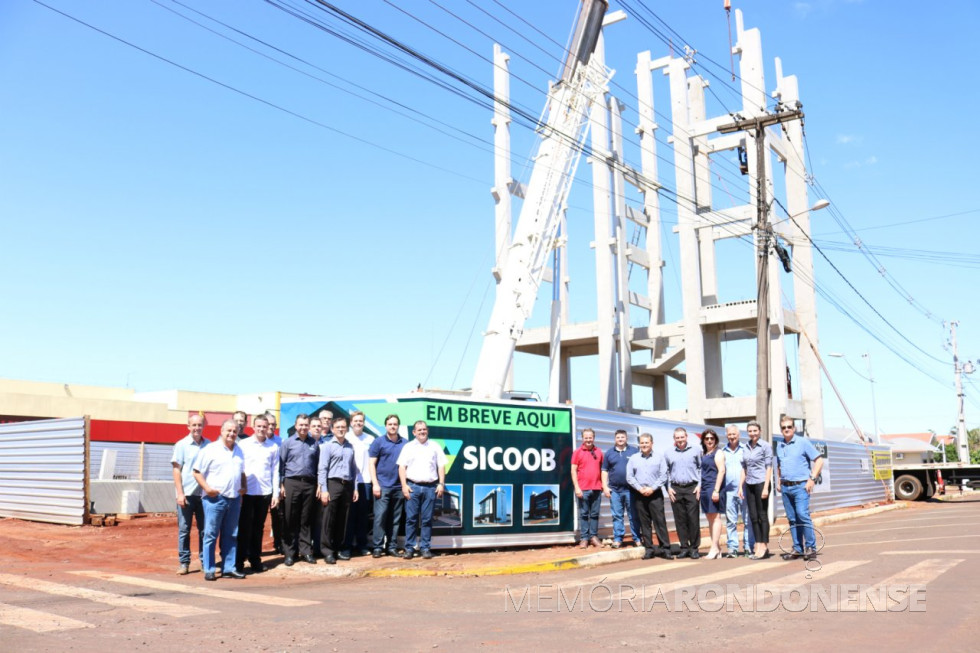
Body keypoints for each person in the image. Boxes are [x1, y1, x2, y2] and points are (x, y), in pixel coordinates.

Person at [192, 420, 247, 581]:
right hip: (215, 499)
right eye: (228, 430)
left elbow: (242, 471)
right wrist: (208, 489)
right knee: (210, 534)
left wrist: (243, 486)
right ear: (221, 430)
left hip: (234, 498)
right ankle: (209, 569)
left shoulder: (239, 450)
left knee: (231, 535)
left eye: (234, 431)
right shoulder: (210, 450)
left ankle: (229, 568)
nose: (231, 434)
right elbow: (196, 472)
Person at [775, 417, 825, 561]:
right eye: (784, 427)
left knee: (802, 515)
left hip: (800, 486)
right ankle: (797, 548)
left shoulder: (802, 442)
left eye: (789, 427)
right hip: (786, 487)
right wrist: (779, 481)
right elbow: (779, 465)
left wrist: (812, 479)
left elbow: (819, 460)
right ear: (781, 429)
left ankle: (810, 548)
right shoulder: (780, 446)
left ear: (794, 428)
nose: (786, 429)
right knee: (792, 518)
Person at [236, 414, 279, 574]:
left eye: (264, 427)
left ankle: (255, 561)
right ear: (253, 427)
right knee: (244, 528)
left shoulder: (273, 447)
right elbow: (239, 468)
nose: (261, 429)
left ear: (268, 428)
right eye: (259, 426)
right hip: (247, 493)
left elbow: (275, 471)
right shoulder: (244, 445)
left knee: (258, 528)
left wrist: (275, 494)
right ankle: (239, 562)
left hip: (265, 493)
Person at [397, 420, 446, 560]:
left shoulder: (435, 446)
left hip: (430, 487)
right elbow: (401, 467)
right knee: (411, 519)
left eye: (424, 429)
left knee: (427, 520)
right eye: (419, 430)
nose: (422, 432)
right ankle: (410, 548)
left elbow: (441, 466)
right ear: (414, 432)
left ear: (427, 430)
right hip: (412, 487)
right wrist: (404, 486)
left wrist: (441, 484)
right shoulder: (408, 447)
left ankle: (425, 548)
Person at [171, 414, 210, 575]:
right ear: (188, 426)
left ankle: (204, 561)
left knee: (205, 530)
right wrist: (180, 493)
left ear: (203, 426)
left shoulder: (209, 445)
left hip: (203, 496)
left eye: (199, 425)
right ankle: (184, 562)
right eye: (193, 425)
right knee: (184, 530)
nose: (196, 428)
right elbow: (176, 470)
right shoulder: (181, 445)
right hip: (186, 495)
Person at [279, 413, 319, 566]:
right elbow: (281, 466)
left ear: (308, 426)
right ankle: (290, 553)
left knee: (306, 519)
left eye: (305, 425)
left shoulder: (314, 444)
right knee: (290, 518)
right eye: (300, 425)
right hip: (291, 482)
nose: (303, 427)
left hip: (309, 484)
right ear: (296, 426)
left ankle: (306, 551)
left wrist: (318, 485)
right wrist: (281, 485)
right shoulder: (288, 443)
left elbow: (317, 466)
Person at [318, 416, 358, 564]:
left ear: (347, 429)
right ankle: (327, 551)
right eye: (338, 427)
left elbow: (353, 469)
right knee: (329, 519)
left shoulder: (350, 446)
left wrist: (354, 487)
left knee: (343, 519)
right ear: (333, 429)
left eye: (343, 427)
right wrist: (324, 489)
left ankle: (339, 548)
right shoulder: (327, 446)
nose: (341, 429)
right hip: (332, 484)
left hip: (347, 485)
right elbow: (322, 469)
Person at [626, 433, 671, 560]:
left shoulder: (659, 458)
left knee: (660, 522)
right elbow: (629, 477)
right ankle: (649, 549)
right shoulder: (633, 458)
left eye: (646, 442)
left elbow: (664, 475)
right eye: (642, 443)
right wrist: (640, 489)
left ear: (652, 443)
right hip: (640, 494)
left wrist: (652, 488)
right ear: (639, 444)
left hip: (655, 494)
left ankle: (665, 549)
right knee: (644, 523)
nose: (644, 445)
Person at [369, 414, 407, 558]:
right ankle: (377, 547)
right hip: (382, 486)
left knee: (395, 520)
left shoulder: (405, 443)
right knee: (380, 518)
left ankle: (391, 547)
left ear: (398, 426)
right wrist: (375, 484)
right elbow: (371, 464)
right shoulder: (378, 442)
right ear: (386, 426)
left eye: (395, 424)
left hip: (398, 487)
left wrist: (404, 486)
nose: (392, 426)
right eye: (390, 424)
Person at [665, 427, 701, 559]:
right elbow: (666, 471)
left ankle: (694, 548)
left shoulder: (696, 450)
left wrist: (699, 485)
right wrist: (668, 487)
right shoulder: (669, 453)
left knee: (693, 519)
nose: (680, 440)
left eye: (682, 437)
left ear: (686, 437)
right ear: (674, 439)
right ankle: (684, 547)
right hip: (676, 489)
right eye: (677, 438)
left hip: (692, 488)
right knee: (680, 520)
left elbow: (701, 468)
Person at [601, 429, 641, 548]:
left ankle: (637, 538)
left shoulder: (634, 451)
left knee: (633, 515)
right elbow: (604, 470)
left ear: (626, 438)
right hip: (615, 491)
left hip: (631, 490)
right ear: (615, 439)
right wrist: (605, 487)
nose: (620, 439)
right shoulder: (609, 453)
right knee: (617, 516)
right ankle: (618, 539)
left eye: (622, 437)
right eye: (618, 437)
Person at [343, 410, 374, 557]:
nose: (358, 423)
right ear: (351, 423)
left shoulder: (370, 439)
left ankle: (362, 546)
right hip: (349, 483)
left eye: (360, 421)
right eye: (355, 421)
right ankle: (346, 547)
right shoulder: (346, 438)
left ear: (364, 423)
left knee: (363, 516)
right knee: (348, 516)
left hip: (365, 482)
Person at [743, 420, 773, 560]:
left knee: (762, 515)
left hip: (762, 483)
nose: (753, 433)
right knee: (753, 517)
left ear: (759, 431)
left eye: (755, 430)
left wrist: (766, 487)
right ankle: (758, 544)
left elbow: (769, 467)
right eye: (750, 431)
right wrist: (740, 486)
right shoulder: (746, 446)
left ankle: (764, 546)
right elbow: (744, 468)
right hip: (749, 483)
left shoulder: (765, 446)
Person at [722, 425, 753, 558]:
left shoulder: (745, 450)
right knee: (731, 521)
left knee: (747, 521)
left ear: (739, 435)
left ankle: (748, 547)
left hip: (744, 491)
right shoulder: (722, 452)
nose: (732, 437)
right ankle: (732, 548)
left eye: (734, 434)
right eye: (730, 434)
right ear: (726, 435)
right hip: (728, 492)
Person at [571, 428, 603, 548]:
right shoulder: (577, 452)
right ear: (582, 438)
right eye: (586, 437)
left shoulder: (599, 452)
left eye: (590, 437)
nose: (588, 440)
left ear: (593, 438)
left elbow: (603, 470)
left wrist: (603, 486)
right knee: (584, 514)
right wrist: (577, 487)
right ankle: (584, 538)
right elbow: (573, 470)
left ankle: (593, 537)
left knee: (594, 514)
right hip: (583, 489)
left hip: (596, 488)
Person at [699, 429, 727, 559]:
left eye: (712, 438)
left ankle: (714, 548)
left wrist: (716, 490)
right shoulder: (704, 453)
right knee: (710, 518)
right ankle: (717, 548)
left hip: (713, 487)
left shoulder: (718, 452)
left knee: (715, 518)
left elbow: (721, 471)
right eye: (707, 438)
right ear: (703, 440)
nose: (709, 440)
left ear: (715, 440)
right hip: (705, 488)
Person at [265, 412, 284, 555]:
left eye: (273, 424)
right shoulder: (253, 442)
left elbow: (282, 466)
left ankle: (279, 544)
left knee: (278, 516)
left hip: (276, 486)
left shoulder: (281, 442)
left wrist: (281, 486)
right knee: (256, 519)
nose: (271, 427)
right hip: (259, 487)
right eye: (268, 424)